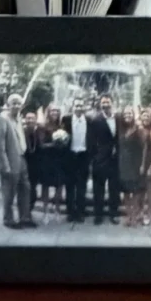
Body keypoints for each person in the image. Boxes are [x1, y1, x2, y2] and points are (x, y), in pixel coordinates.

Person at [0, 93, 31, 228]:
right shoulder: (3, 120)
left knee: (25, 189)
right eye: (13, 103)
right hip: (10, 162)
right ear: (8, 105)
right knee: (9, 193)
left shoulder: (18, 119)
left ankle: (24, 218)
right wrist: (5, 166)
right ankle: (8, 220)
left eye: (18, 103)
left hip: (21, 159)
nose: (16, 106)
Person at [87, 93, 119, 225]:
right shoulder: (95, 120)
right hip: (100, 160)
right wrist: (94, 157)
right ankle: (98, 215)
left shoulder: (119, 118)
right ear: (100, 104)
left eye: (107, 102)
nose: (105, 105)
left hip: (115, 160)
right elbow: (90, 141)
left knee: (114, 188)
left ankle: (113, 214)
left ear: (112, 103)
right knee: (98, 189)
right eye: (103, 102)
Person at [37, 104, 69, 217]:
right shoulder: (42, 126)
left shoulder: (62, 125)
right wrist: (55, 143)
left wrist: (64, 142)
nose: (55, 113)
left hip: (59, 160)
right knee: (45, 185)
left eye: (57, 111)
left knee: (59, 185)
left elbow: (66, 141)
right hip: (47, 160)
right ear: (48, 112)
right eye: (52, 111)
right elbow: (41, 145)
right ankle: (45, 210)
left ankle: (57, 208)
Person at [117, 104, 146, 227]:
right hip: (123, 164)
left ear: (133, 115)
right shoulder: (122, 129)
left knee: (136, 192)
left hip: (135, 163)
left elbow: (145, 147)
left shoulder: (138, 129)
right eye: (125, 114)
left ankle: (134, 216)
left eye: (129, 113)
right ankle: (128, 215)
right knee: (126, 192)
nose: (127, 115)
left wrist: (143, 164)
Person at [63, 92, 90, 222]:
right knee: (70, 186)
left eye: (81, 105)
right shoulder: (66, 119)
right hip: (70, 156)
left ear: (84, 107)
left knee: (81, 186)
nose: (79, 108)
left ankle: (80, 212)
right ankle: (70, 212)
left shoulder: (89, 120)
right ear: (72, 107)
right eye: (76, 105)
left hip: (84, 156)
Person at [23, 109, 43, 211]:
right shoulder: (21, 132)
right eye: (28, 118)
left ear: (36, 120)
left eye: (32, 118)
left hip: (36, 166)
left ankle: (29, 211)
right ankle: (25, 212)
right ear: (25, 120)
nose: (30, 120)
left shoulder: (39, 131)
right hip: (24, 164)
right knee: (24, 190)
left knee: (33, 190)